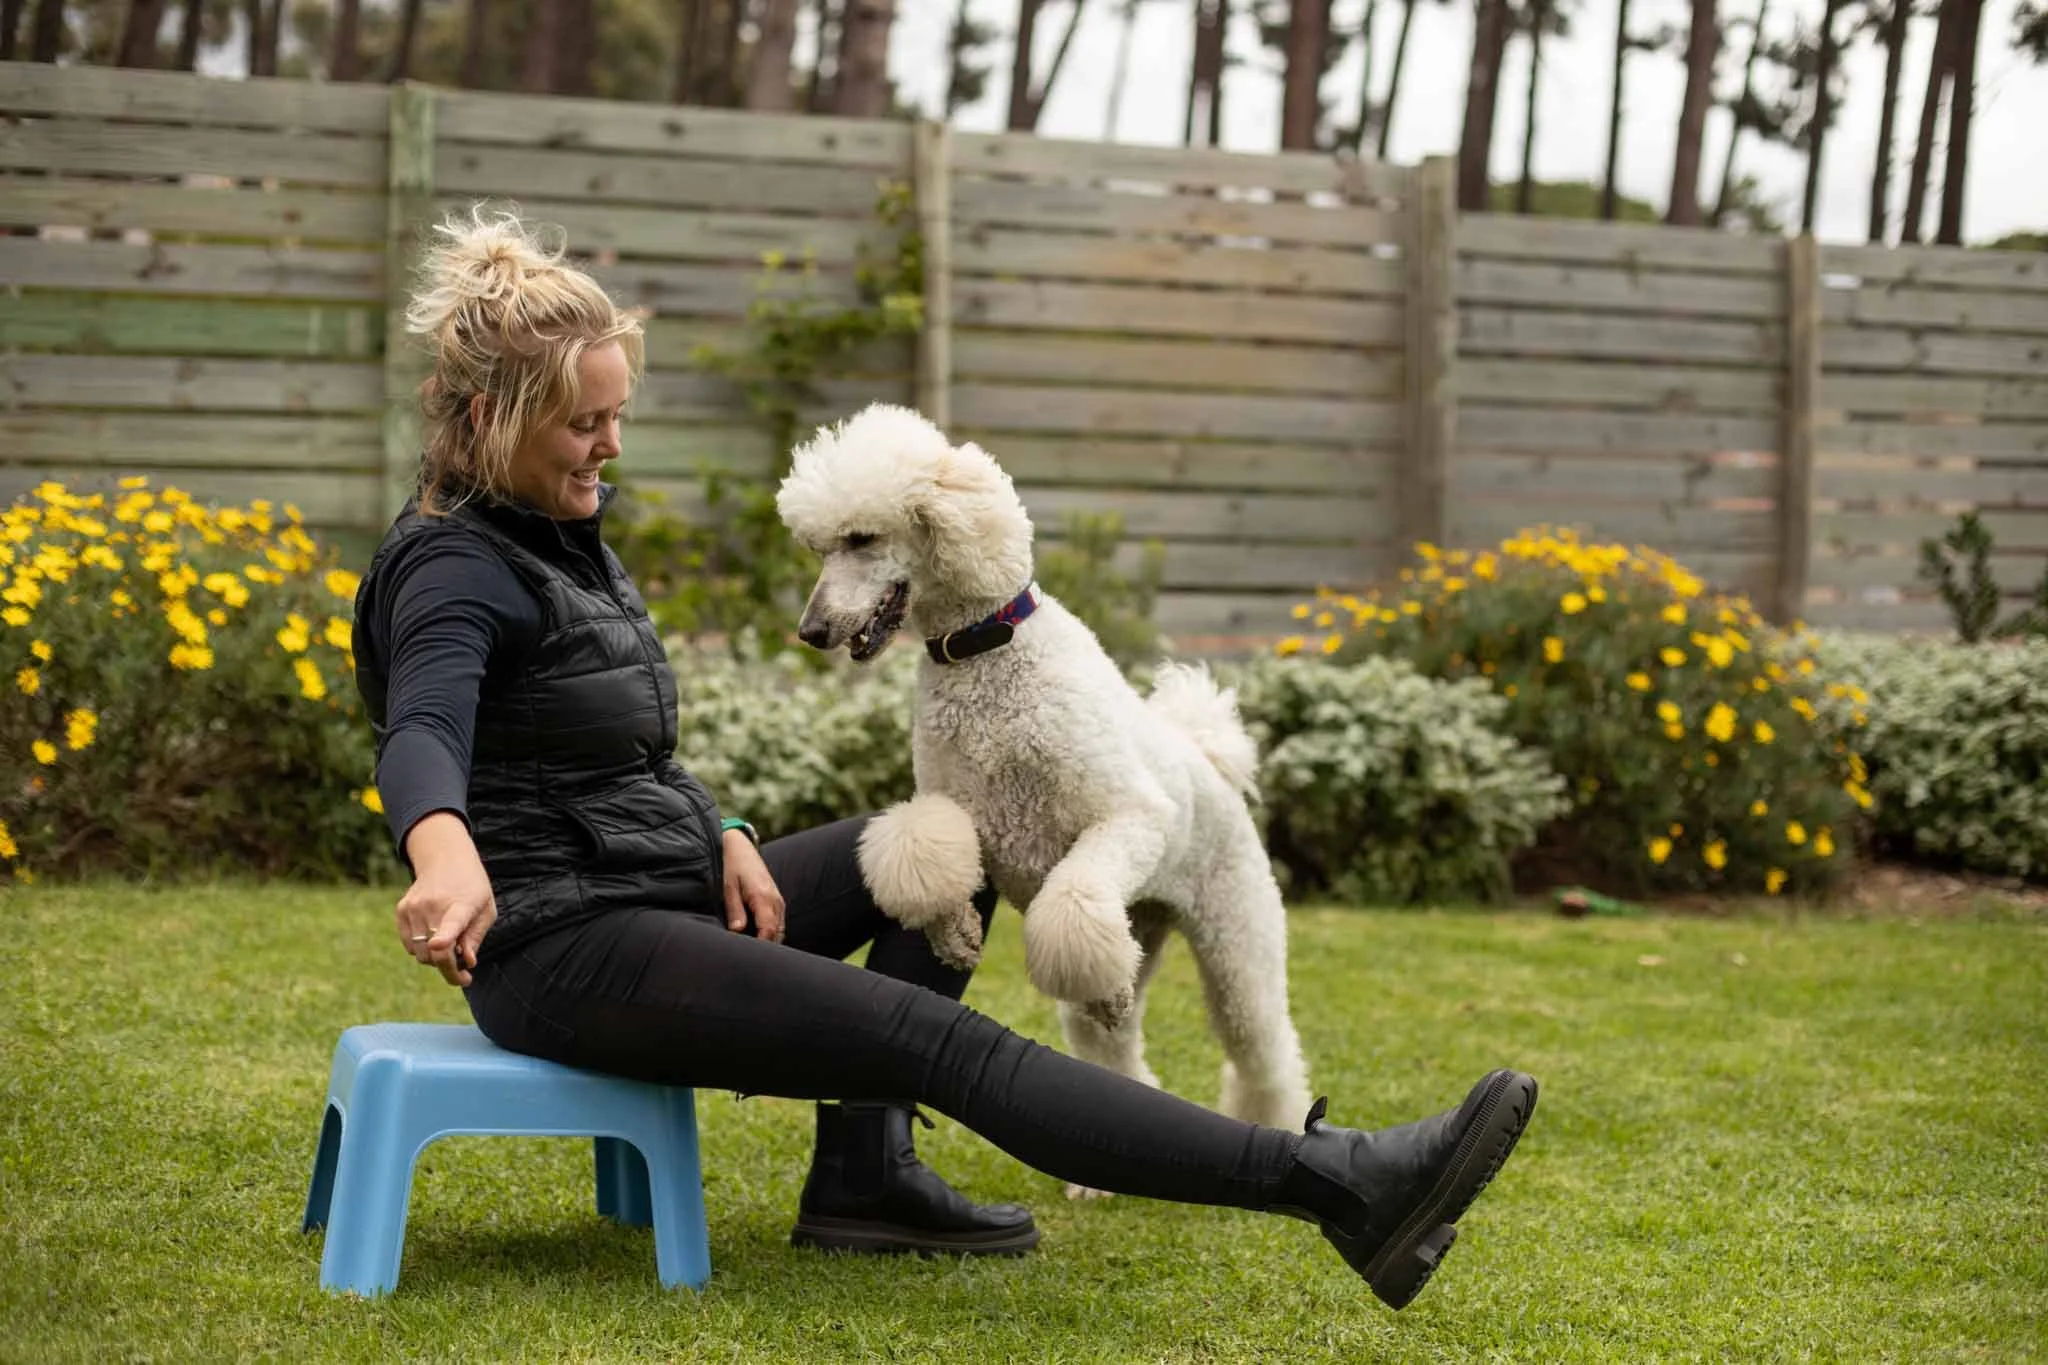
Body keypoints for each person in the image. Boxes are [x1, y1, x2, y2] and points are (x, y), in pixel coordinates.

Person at [350, 206, 1540, 1310]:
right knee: (935, 1038)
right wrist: (442, 850)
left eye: (615, 414)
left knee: (947, 852)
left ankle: (862, 1180)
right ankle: (1338, 1185)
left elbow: (614, 755)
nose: (610, 444)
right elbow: (426, 731)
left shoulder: (560, 537)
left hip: (649, 885)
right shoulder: (454, 570)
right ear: (490, 422)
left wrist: (720, 831)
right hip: (563, 946)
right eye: (582, 423)